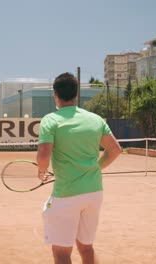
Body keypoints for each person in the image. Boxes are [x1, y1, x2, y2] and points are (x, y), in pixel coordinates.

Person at [36, 72, 121, 264]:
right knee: (86, 247)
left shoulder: (50, 120)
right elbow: (115, 150)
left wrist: (41, 171)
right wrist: (96, 168)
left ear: (55, 94)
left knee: (62, 253)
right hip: (94, 193)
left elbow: (43, 156)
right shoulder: (95, 119)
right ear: (76, 94)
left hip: (66, 195)